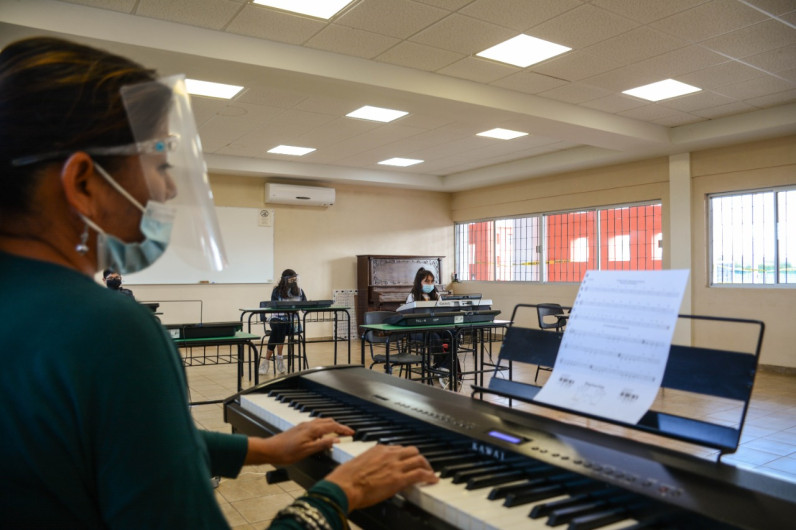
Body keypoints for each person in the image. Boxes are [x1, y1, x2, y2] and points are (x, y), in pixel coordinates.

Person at [0, 37, 436, 528]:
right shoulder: (108, 328)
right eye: (159, 164)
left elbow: (133, 441)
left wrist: (263, 447)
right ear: (83, 182)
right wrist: (338, 494)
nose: (167, 188)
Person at [406, 268, 459, 389]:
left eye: (431, 281)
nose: (429, 284)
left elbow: (442, 313)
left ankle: (442, 366)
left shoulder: (436, 295)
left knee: (453, 333)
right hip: (417, 331)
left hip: (435, 327)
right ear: (419, 282)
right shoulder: (412, 296)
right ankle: (441, 366)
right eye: (426, 281)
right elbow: (410, 316)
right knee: (433, 336)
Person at [260, 269, 306, 376]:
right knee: (279, 326)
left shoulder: (300, 291)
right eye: (291, 279)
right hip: (277, 318)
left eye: (294, 279)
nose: (293, 281)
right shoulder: (277, 291)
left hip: (292, 322)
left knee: (279, 329)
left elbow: (305, 307)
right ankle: (279, 358)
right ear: (285, 280)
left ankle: (267, 361)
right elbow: (273, 307)